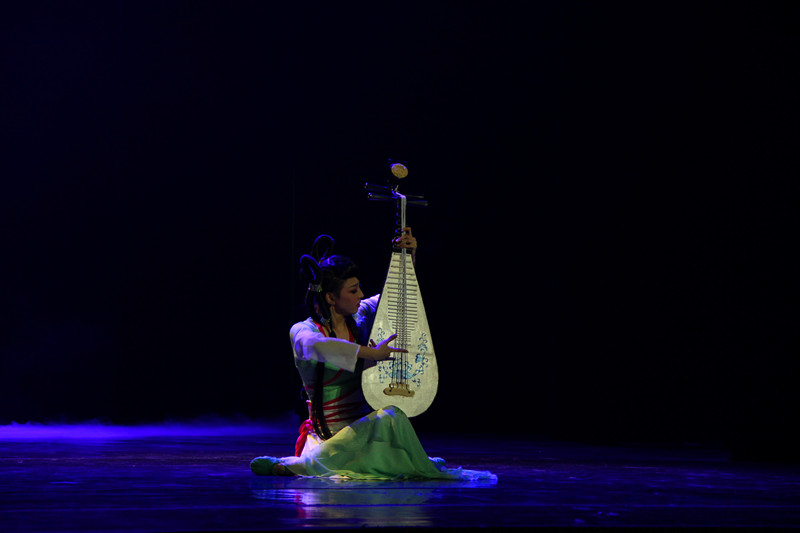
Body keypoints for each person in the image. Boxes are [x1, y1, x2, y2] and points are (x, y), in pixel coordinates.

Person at [250, 229, 496, 481]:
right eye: (353, 290)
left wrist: (407, 256)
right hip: (331, 437)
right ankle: (305, 464)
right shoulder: (304, 331)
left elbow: (395, 296)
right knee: (391, 418)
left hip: (366, 430)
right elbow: (320, 346)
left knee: (391, 420)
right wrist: (373, 353)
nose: (361, 295)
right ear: (331, 297)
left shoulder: (359, 317)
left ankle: (320, 465)